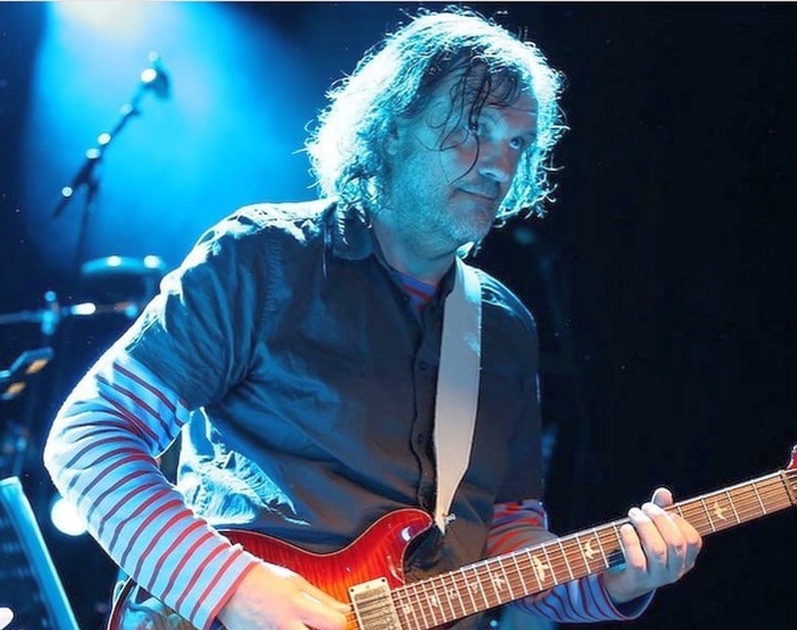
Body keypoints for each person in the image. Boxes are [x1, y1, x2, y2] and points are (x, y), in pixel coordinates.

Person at [43, 7, 702, 630]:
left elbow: (506, 536)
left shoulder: (504, 325)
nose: (500, 165)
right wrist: (232, 587)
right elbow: (89, 435)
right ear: (391, 126)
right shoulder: (265, 258)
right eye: (474, 128)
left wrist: (616, 579)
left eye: (517, 142)